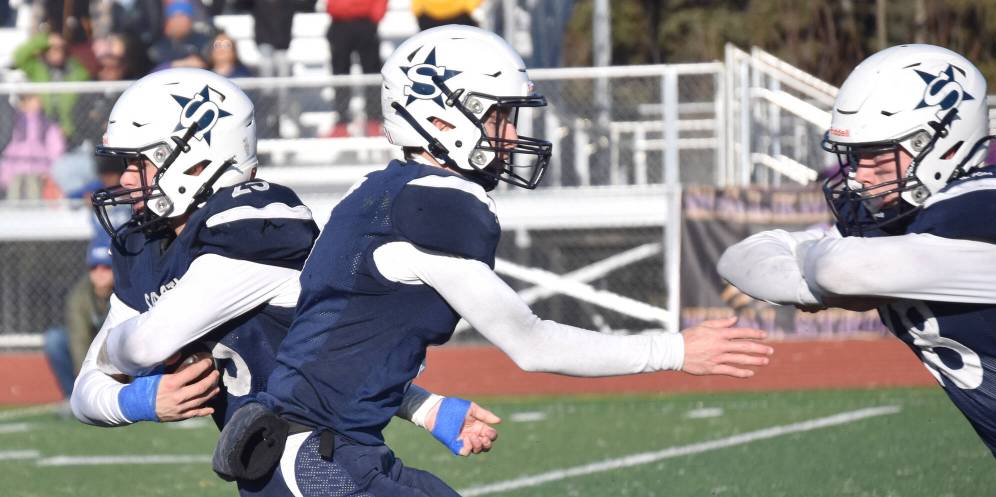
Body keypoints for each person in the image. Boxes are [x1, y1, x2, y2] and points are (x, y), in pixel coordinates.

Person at [226, 26, 772, 497]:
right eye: (498, 118)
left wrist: (424, 408)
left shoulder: (375, 194)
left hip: (323, 450)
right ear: (441, 120)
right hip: (315, 460)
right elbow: (531, 344)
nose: (511, 137)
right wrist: (674, 349)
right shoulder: (429, 207)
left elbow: (338, 349)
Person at [70, 68, 496, 493]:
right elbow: (85, 391)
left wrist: (425, 407)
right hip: (299, 465)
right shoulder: (145, 247)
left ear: (196, 159)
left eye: (140, 162)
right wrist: (138, 400)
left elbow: (145, 346)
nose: (125, 179)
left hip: (329, 457)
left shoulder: (253, 226)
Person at [716, 44, 996, 497]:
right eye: (853, 156)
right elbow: (740, 258)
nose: (859, 177)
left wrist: (813, 272)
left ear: (941, 142)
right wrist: (812, 279)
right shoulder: (905, 219)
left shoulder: (988, 210)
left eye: (877, 155)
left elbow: (841, 270)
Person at [43, 235, 115, 402]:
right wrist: (88, 385)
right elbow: (79, 340)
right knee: (55, 340)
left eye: (106, 267)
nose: (99, 273)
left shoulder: (129, 289)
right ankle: (73, 396)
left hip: (120, 349)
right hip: (92, 349)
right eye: (94, 267)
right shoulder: (79, 295)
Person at [12, 30, 90, 139]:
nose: (56, 52)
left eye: (60, 49)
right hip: (42, 130)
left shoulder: (74, 70)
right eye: (53, 49)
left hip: (70, 132)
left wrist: (67, 45)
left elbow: (87, 70)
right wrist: (46, 41)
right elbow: (19, 56)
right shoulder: (37, 69)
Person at [325, 0, 386, 137]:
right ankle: (341, 123)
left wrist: (374, 18)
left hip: (365, 22)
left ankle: (374, 121)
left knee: (371, 74)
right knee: (340, 76)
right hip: (339, 23)